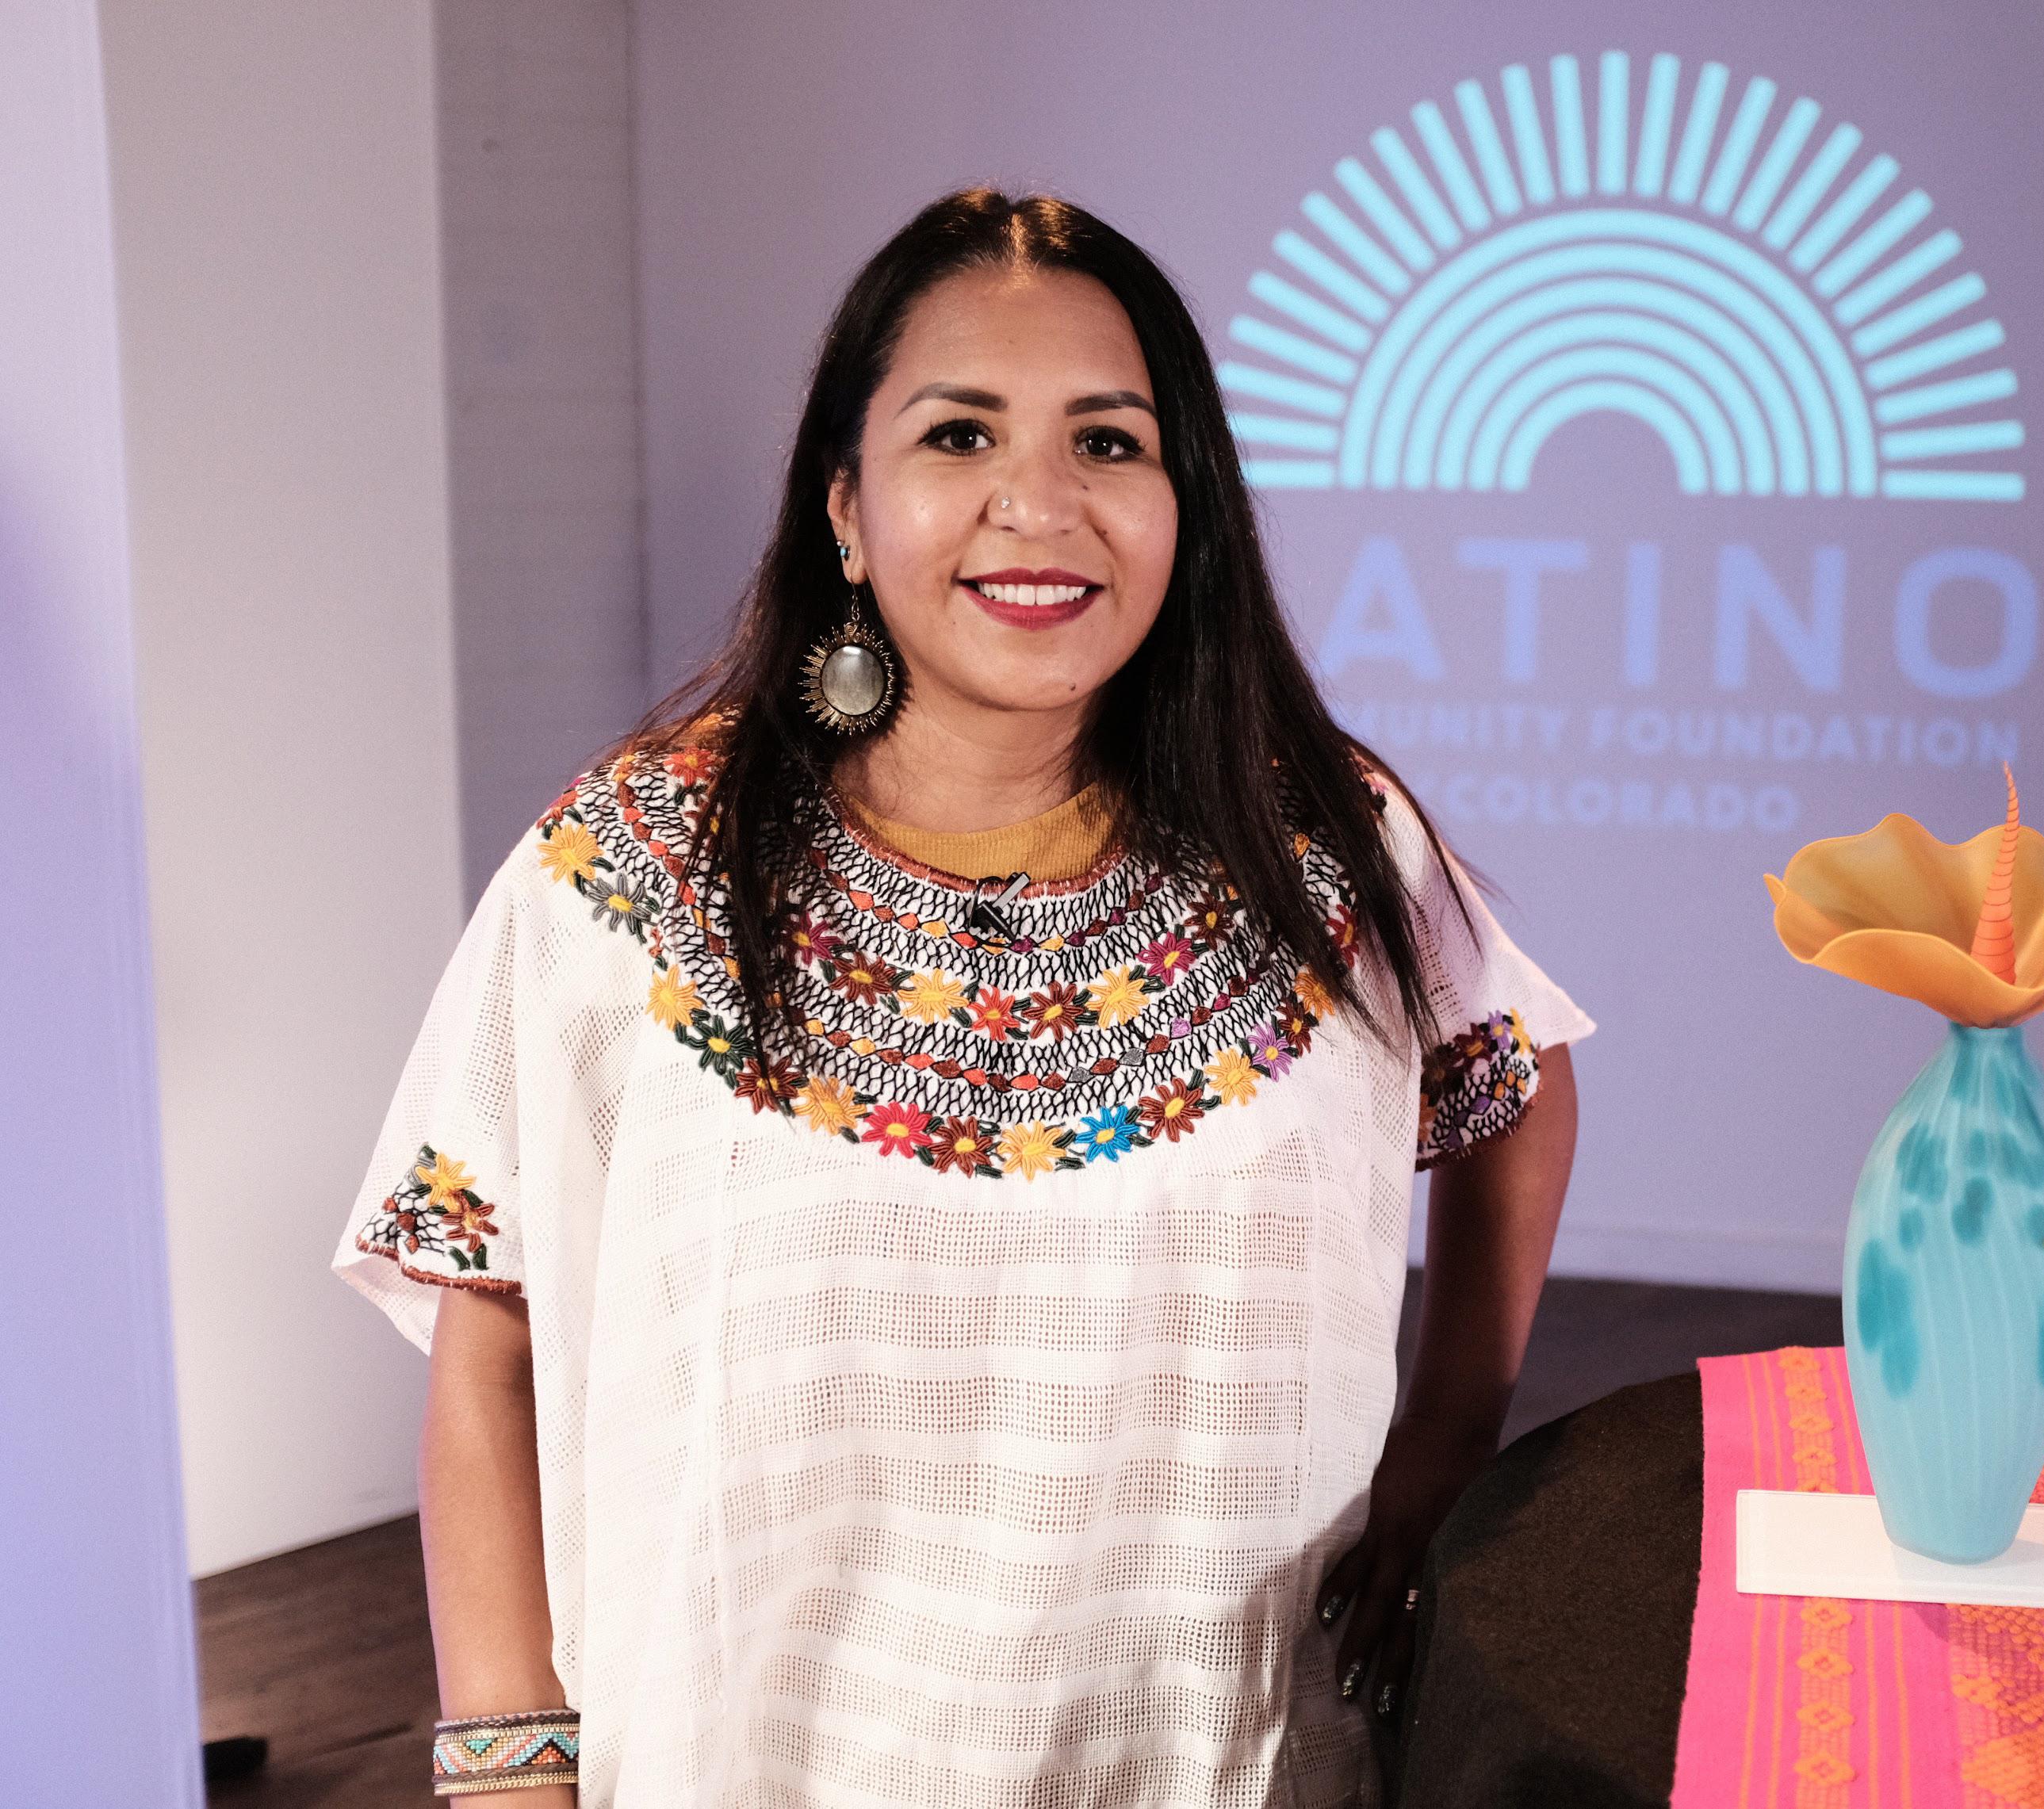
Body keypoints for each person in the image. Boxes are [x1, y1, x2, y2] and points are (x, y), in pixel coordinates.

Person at [335, 189, 1589, 1807]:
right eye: (959, 435)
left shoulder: (1323, 845)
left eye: (1108, 443)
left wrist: (1444, 1459)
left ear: (1190, 507)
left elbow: (1511, 1083)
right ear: (847, 512)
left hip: (1213, 1755)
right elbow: (486, 1316)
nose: (1038, 505)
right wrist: (508, 1765)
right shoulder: (635, 867)